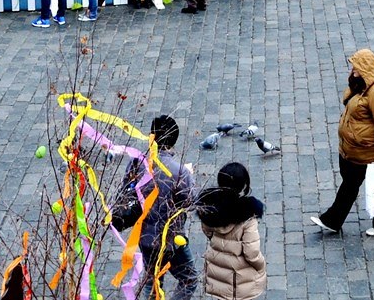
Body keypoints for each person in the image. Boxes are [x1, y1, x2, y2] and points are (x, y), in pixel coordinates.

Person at [310, 49, 374, 238]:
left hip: (369, 153)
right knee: (352, 183)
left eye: (356, 66)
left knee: (358, 185)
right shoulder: (360, 85)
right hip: (355, 150)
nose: (352, 69)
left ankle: (333, 220)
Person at [114, 116, 198, 300]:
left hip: (145, 237)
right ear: (174, 140)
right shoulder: (179, 171)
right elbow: (190, 201)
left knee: (152, 281)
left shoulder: (137, 163)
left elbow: (125, 193)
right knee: (189, 279)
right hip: (171, 239)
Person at [197, 162, 267, 300]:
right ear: (243, 185)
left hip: (218, 272)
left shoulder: (209, 208)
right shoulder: (248, 216)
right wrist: (261, 266)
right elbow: (251, 253)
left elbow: (207, 231)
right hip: (240, 280)